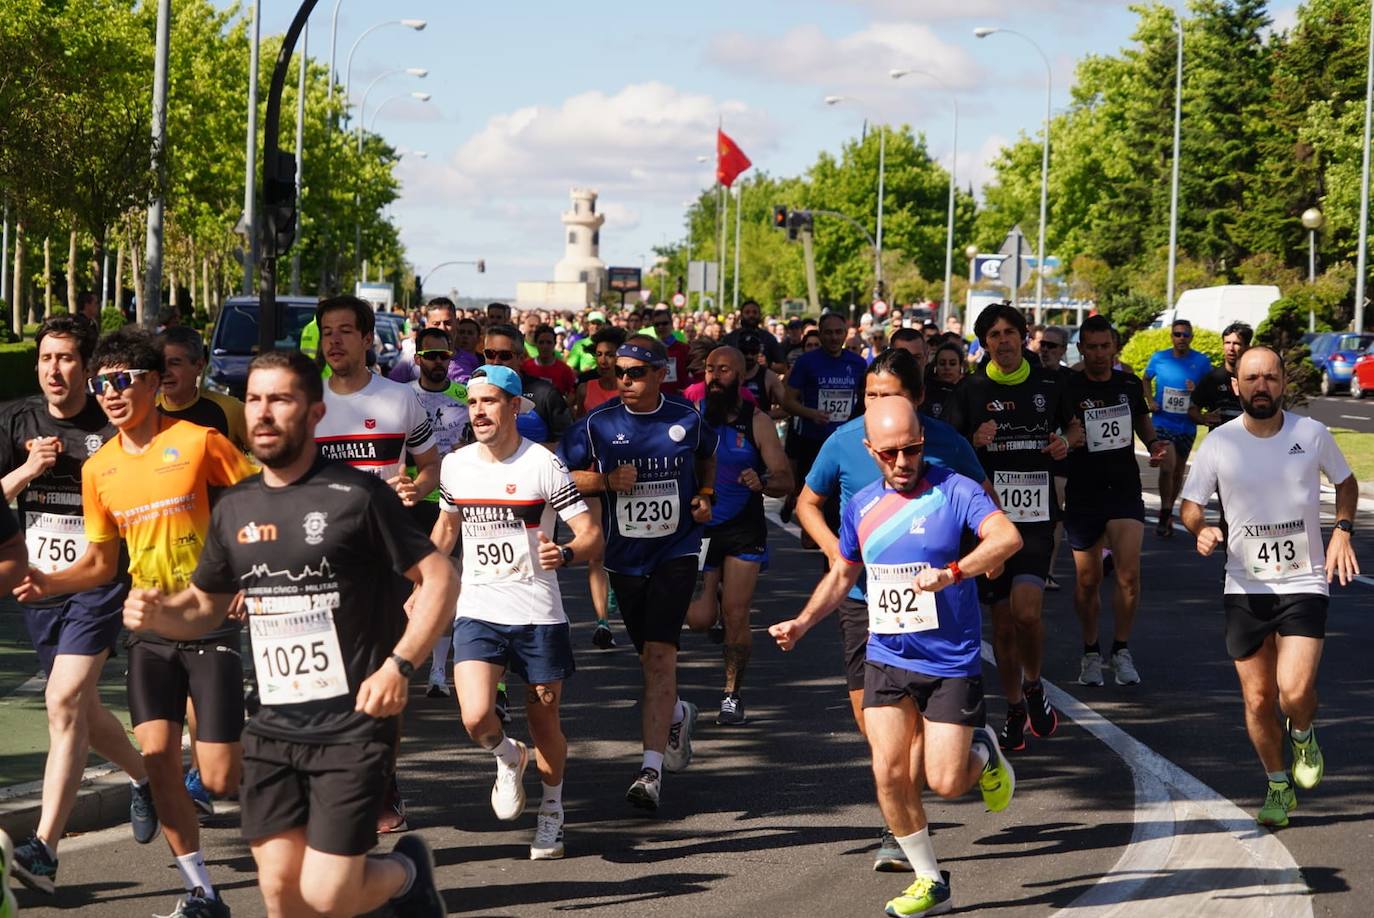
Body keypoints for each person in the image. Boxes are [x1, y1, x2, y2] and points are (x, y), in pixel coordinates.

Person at [123, 349, 456, 918]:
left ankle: (406, 876)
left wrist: (400, 665)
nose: (263, 413)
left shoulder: (357, 497)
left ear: (315, 412)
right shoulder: (235, 507)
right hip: (273, 725)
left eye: (280, 399)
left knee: (328, 894)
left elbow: (439, 577)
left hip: (352, 724)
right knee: (279, 888)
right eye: (254, 399)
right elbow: (204, 604)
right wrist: (159, 614)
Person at [14, 327, 254, 916]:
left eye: (123, 381)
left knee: (219, 778)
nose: (111, 393)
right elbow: (98, 563)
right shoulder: (100, 470)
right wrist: (50, 581)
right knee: (159, 762)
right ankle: (202, 890)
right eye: (103, 384)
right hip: (146, 628)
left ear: (152, 383)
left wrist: (247, 574)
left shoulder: (199, 442)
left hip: (208, 623)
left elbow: (259, 503)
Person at [770, 399, 1021, 918]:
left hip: (949, 660)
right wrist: (801, 622)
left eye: (912, 450)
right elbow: (842, 574)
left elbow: (1007, 537)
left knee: (946, 782)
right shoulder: (860, 505)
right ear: (871, 451)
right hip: (886, 653)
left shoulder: (955, 490)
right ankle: (930, 880)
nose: (903, 461)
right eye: (890, 454)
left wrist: (955, 571)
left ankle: (984, 752)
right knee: (887, 771)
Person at [796, 347, 992, 871]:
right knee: (878, 733)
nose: (878, 405)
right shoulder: (843, 441)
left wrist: (970, 562)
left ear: (918, 401)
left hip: (937, 606)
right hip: (865, 603)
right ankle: (904, 823)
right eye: (871, 396)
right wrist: (837, 550)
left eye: (891, 395)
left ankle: (917, 805)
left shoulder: (945, 446)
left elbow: (985, 503)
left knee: (929, 750)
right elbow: (807, 503)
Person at [1, 317, 156, 896]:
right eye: (45, 358)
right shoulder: (16, 420)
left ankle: (44, 849)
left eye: (66, 359)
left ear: (88, 370)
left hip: (98, 582)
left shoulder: (112, 420)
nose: (53, 370)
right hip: (38, 584)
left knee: (62, 698)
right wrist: (28, 471)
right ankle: (145, 779)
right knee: (81, 709)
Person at [1180, 346, 1359, 828]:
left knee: (1294, 690)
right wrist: (1201, 530)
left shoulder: (1312, 433)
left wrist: (1342, 529)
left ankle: (1302, 730)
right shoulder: (1219, 442)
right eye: (1251, 378)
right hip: (1244, 585)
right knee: (1258, 699)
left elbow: (1346, 482)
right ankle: (1277, 783)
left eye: (1271, 377)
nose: (1261, 386)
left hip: (1303, 580)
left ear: (1283, 383)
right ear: (1236, 385)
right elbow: (1191, 504)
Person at [429, 365, 601, 859]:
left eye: (489, 402)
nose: (478, 411)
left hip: (537, 614)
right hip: (479, 607)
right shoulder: (457, 465)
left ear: (513, 407)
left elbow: (591, 534)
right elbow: (445, 531)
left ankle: (551, 812)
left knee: (545, 724)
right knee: (476, 715)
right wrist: (422, 581)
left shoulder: (542, 465)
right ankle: (509, 756)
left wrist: (565, 553)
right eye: (473, 403)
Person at [560, 335, 718, 811]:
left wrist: (705, 494)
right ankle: (675, 713)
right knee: (647, 656)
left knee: (660, 658)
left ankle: (649, 772)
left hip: (677, 549)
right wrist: (605, 481)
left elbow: (707, 454)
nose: (625, 379)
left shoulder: (684, 418)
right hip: (624, 556)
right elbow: (558, 473)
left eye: (636, 373)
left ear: (659, 374)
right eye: (621, 372)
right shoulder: (598, 423)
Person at [313, 294, 440, 834]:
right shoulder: (306, 402)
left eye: (346, 331)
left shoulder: (400, 400)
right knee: (327, 676)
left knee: (381, 673)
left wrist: (416, 486)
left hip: (385, 556)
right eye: (327, 332)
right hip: (320, 558)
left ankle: (382, 779)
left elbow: (431, 465)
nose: (335, 340)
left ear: (369, 339)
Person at [944, 303, 1079, 753]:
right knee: (1001, 627)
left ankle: (1035, 682)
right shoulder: (971, 389)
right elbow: (950, 449)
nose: (1003, 341)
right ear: (984, 343)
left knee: (1026, 613)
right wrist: (972, 442)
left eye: (1010, 333)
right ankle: (1016, 703)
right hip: (988, 521)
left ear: (1025, 337)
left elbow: (1076, 428)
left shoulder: (1050, 382)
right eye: (994, 335)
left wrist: (1064, 441)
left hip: (1038, 517)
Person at [684, 347, 792, 725]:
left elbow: (784, 479)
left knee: (736, 614)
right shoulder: (693, 418)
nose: (714, 376)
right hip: (702, 529)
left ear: (741, 376)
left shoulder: (758, 422)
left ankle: (732, 694)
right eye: (710, 369)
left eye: (724, 370)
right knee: (699, 619)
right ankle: (710, 593)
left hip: (744, 529)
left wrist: (761, 480)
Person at [1061, 316, 1170, 687]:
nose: (1099, 354)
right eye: (1091, 347)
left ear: (1114, 347)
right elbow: (1060, 429)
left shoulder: (1127, 383)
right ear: (1081, 349)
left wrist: (1154, 445)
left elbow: (1141, 419)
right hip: (1083, 491)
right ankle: (1091, 651)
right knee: (1088, 580)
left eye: (1105, 346)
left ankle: (1121, 649)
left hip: (1123, 489)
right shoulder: (1069, 385)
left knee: (1129, 575)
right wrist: (1067, 438)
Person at [407, 327, 470, 697]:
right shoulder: (404, 397)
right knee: (410, 584)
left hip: (454, 500)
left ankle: (437, 672)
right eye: (430, 355)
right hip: (414, 500)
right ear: (417, 359)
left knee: (447, 584)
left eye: (443, 356)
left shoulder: (465, 396)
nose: (437, 362)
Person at [780, 312, 868, 523]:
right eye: (828, 333)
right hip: (813, 441)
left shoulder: (858, 364)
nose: (834, 337)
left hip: (848, 442)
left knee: (839, 499)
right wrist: (812, 414)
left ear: (846, 334)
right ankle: (799, 507)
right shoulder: (806, 362)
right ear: (820, 334)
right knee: (815, 496)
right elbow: (787, 401)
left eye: (838, 332)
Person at [1143, 318, 1213, 536]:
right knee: (1167, 466)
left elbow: (1209, 389)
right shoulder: (1160, 358)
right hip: (1163, 421)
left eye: (1185, 335)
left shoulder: (1201, 362)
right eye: (1177, 334)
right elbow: (1145, 379)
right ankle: (1165, 512)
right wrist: (1150, 401)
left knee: (1177, 472)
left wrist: (1197, 388)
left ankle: (1168, 510)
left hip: (1187, 424)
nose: (1181, 338)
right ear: (1171, 336)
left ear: (1191, 337)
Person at [157, 326, 249, 450]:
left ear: (199, 366)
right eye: (160, 364)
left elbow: (274, 456)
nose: (165, 372)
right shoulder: (146, 413)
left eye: (174, 363)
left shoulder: (231, 410)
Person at [481, 324, 573, 448]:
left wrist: (526, 454)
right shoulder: (476, 392)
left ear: (521, 358)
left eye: (505, 356)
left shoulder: (545, 393)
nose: (496, 361)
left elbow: (568, 442)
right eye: (490, 354)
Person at [1190, 321, 1253, 431]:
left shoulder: (1255, 379)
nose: (1231, 348)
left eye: (1237, 343)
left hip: (1249, 441)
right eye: (1227, 343)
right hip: (1220, 442)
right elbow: (1192, 408)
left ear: (1247, 347)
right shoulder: (1212, 378)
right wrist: (1203, 418)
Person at [574, 328, 626, 418]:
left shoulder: (629, 391)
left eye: (610, 355)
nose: (603, 361)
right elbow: (580, 426)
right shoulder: (584, 390)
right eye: (599, 354)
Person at [722, 299, 785, 373]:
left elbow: (783, 367)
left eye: (755, 312)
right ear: (741, 316)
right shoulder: (730, 338)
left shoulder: (768, 338)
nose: (751, 315)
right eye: (747, 312)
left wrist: (768, 365)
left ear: (759, 315)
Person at [524, 324, 577, 398]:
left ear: (554, 344)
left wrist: (561, 407)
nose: (545, 346)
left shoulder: (565, 370)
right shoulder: (525, 367)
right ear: (536, 344)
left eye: (549, 342)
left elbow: (572, 393)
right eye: (541, 342)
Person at [925, 340, 965, 421]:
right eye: (942, 363)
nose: (947, 367)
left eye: (952, 363)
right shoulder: (925, 390)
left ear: (960, 366)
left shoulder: (968, 390)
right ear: (936, 366)